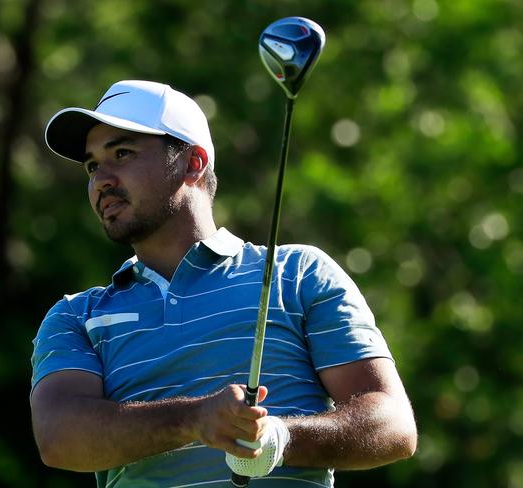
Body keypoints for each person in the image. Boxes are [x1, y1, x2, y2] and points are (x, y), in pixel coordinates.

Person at [30, 80, 417, 487]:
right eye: (92, 166)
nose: (101, 180)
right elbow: (59, 437)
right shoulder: (77, 315)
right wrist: (194, 421)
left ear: (192, 163)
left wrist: (281, 440)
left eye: (122, 153)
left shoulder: (297, 273)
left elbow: (392, 424)